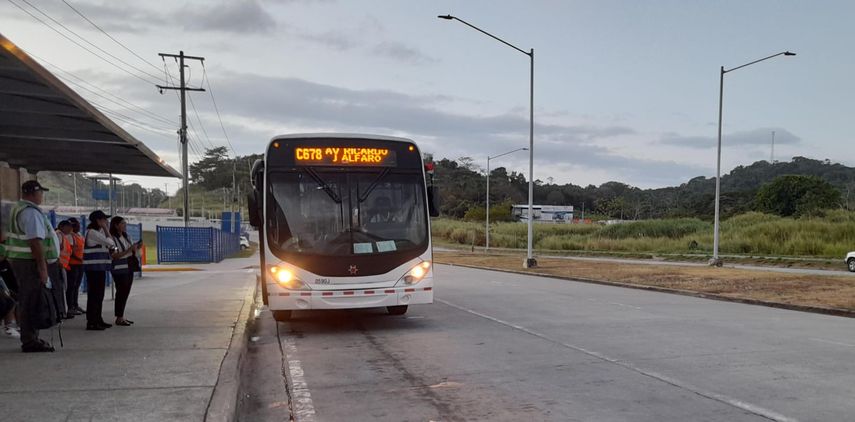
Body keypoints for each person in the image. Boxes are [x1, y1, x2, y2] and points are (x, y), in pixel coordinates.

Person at [5, 180, 61, 352]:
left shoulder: (18, 209)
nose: (42, 196)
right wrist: (42, 268)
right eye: (40, 192)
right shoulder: (30, 213)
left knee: (29, 299)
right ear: (33, 193)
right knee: (30, 300)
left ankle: (31, 337)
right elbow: (35, 243)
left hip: (22, 261)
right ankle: (29, 340)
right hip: (29, 263)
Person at [83, 210, 115, 331]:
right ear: (98, 221)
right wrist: (106, 229)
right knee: (94, 295)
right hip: (93, 268)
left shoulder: (97, 232)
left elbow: (111, 243)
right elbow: (111, 243)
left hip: (99, 268)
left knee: (99, 295)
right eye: (104, 220)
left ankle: (98, 319)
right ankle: (92, 321)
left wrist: (105, 229)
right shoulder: (92, 233)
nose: (106, 222)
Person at [108, 216, 138, 326]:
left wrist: (135, 248)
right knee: (121, 292)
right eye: (122, 223)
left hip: (129, 266)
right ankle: (119, 317)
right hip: (119, 269)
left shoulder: (126, 237)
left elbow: (131, 251)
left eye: (125, 223)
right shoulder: (112, 239)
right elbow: (114, 255)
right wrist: (128, 250)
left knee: (126, 292)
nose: (124, 225)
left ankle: (121, 316)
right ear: (116, 225)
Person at [0, 233, 20, 339]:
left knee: (12, 300)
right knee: (9, 301)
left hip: (9, 288)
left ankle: (12, 325)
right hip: (5, 289)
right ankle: (9, 326)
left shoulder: (6, 264)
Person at [66, 217, 85, 316]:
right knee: (71, 286)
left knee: (76, 286)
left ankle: (75, 305)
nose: (78, 227)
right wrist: (79, 259)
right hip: (73, 265)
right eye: (76, 225)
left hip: (80, 264)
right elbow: (71, 252)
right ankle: (70, 307)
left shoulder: (79, 236)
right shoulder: (70, 236)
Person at [54, 220, 73, 320]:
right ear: (62, 226)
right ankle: (60, 312)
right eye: (68, 227)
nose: (70, 229)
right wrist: (58, 262)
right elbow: (56, 250)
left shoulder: (63, 236)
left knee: (63, 288)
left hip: (62, 266)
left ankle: (62, 311)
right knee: (60, 289)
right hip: (59, 266)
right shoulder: (58, 235)